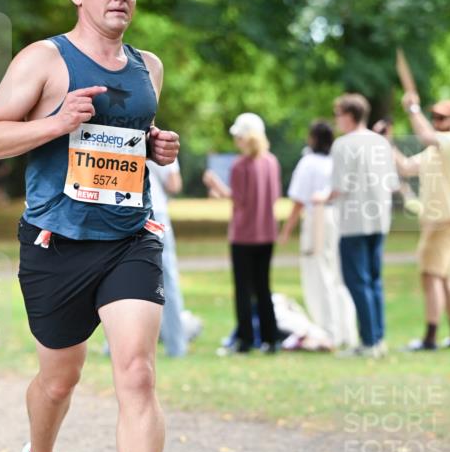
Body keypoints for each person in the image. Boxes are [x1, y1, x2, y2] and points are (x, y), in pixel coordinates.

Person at [0, 0, 179, 452]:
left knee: (137, 372)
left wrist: (156, 147)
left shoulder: (150, 67)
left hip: (128, 238)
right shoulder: (44, 59)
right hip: (54, 244)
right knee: (59, 381)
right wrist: (56, 122)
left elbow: (128, 144)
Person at [393, 49, 450, 351]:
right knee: (444, 278)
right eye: (434, 116)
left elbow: (426, 136)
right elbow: (406, 167)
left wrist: (413, 110)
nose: (436, 120)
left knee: (429, 277)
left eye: (441, 117)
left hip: (442, 220)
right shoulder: (436, 150)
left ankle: (430, 337)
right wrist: (387, 143)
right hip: (439, 219)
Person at [203, 112, 281, 354]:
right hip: (267, 233)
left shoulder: (240, 166)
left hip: (243, 235)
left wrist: (216, 186)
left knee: (243, 289)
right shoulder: (271, 162)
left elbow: (239, 200)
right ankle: (271, 338)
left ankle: (246, 339)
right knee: (263, 287)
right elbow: (274, 195)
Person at [327, 93, 398, 357]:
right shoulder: (380, 142)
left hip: (353, 222)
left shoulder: (343, 145)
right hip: (379, 219)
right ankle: (377, 338)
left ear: (349, 115)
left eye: (339, 115)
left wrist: (320, 199)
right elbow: (391, 182)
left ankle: (368, 341)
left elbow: (339, 186)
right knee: (374, 280)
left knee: (357, 281)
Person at [279, 120, 358, 349]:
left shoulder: (309, 163)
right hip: (340, 219)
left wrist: (286, 231)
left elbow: (298, 202)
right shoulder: (337, 161)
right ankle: (346, 331)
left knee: (319, 275)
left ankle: (328, 330)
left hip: (319, 218)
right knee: (337, 276)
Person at [146, 158, 188, 357]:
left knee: (120, 277)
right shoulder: (158, 137)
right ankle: (176, 345)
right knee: (167, 280)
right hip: (155, 210)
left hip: (121, 211)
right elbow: (174, 184)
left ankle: (113, 347)